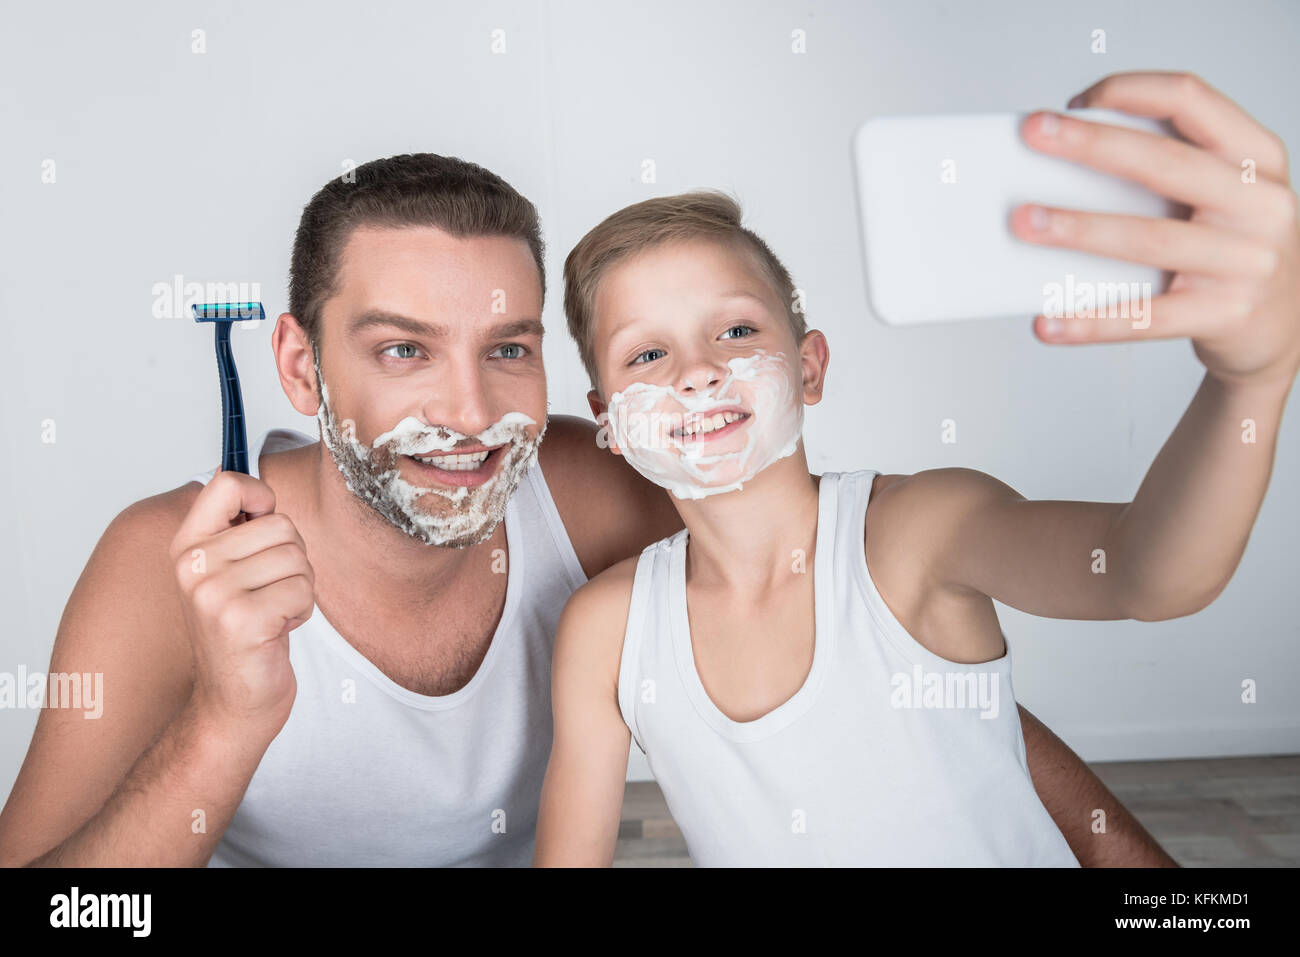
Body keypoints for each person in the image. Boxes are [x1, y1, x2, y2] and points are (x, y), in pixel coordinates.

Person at [8, 72, 1267, 866]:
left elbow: (929, 687)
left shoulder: (598, 493)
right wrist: (228, 721)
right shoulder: (170, 561)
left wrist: (1141, 878)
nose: (466, 410)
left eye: (508, 349)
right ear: (299, 367)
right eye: (400, 350)